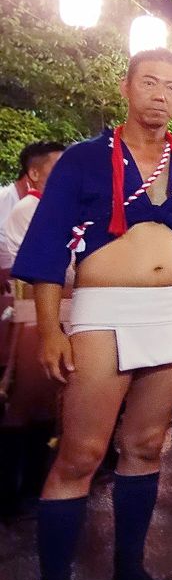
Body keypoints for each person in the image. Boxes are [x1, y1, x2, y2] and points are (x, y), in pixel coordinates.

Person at [13, 48, 172, 580]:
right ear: (126, 87)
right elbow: (47, 247)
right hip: (104, 310)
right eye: (149, 82)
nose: (160, 94)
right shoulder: (84, 159)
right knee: (82, 454)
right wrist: (51, 330)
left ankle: (129, 574)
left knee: (145, 444)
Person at [0, 142, 65, 521]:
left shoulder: (61, 208)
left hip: (58, 311)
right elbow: (55, 267)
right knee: (24, 403)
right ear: (35, 174)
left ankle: (33, 485)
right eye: (59, 167)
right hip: (33, 312)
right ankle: (10, 493)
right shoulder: (29, 209)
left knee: (45, 405)